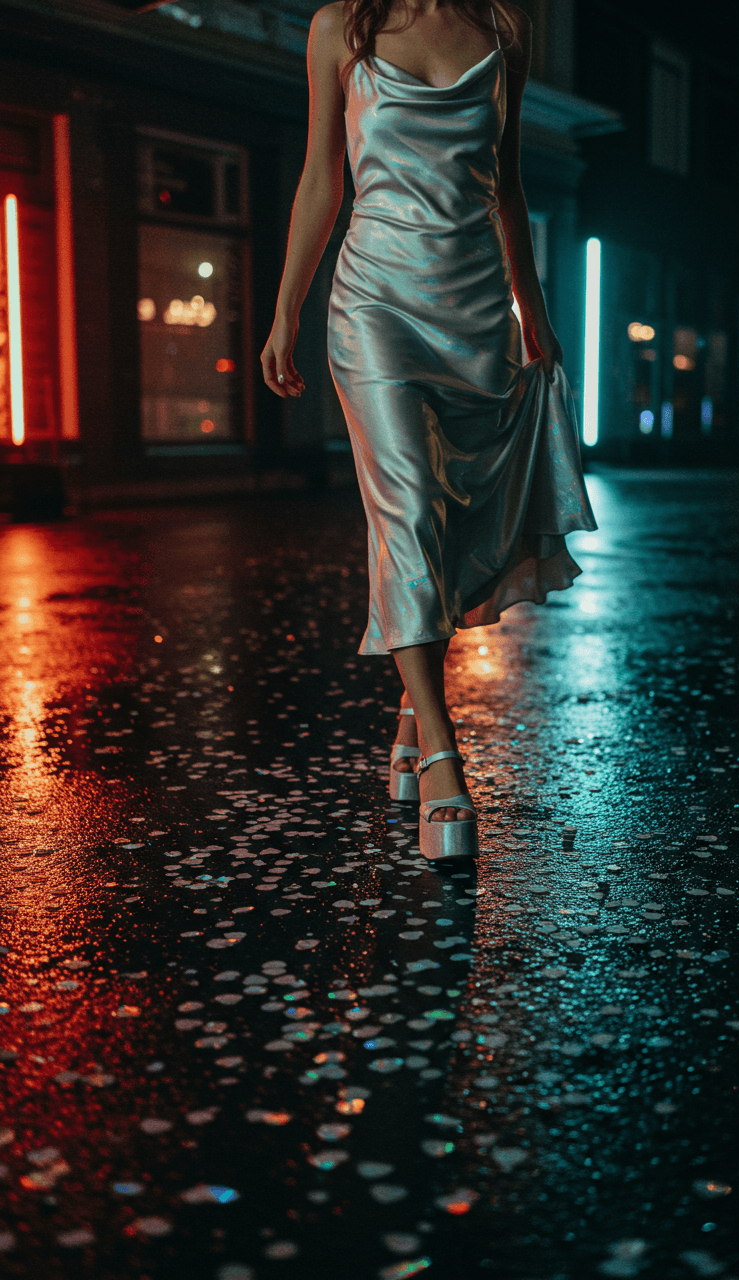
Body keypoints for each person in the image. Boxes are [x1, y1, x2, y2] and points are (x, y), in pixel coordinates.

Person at [261, 0, 596, 861]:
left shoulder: (504, 32)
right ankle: (443, 753)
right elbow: (319, 179)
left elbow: (507, 185)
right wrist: (285, 311)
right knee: (407, 510)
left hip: (477, 311)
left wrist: (536, 310)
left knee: (451, 518)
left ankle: (413, 708)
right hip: (374, 305)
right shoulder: (342, 27)